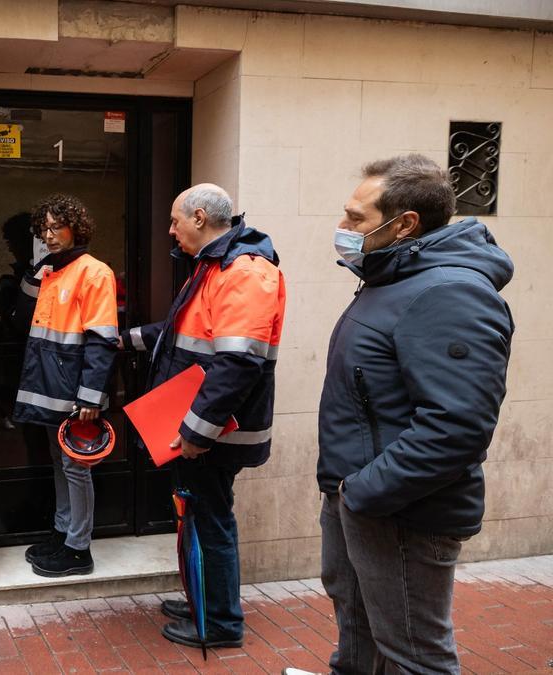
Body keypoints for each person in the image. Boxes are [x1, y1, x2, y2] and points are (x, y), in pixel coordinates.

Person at [288, 154, 513, 675]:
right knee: (360, 636)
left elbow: (457, 426)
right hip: (360, 501)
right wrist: (346, 496)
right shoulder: (391, 278)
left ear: (404, 224)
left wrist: (362, 493)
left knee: (414, 654)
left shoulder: (449, 292)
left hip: (401, 512)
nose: (343, 227)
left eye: (356, 218)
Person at [121, 183, 285, 649]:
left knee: (211, 520)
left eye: (175, 222)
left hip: (211, 434)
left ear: (198, 217)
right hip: (198, 427)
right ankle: (203, 599)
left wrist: (195, 431)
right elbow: (181, 333)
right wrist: (127, 338)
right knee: (197, 515)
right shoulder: (214, 266)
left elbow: (238, 364)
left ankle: (220, 623)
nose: (171, 232)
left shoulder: (244, 271)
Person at [12, 194, 119, 577]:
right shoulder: (50, 271)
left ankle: (78, 548)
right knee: (60, 463)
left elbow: (102, 339)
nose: (50, 235)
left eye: (58, 227)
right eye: (44, 229)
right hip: (48, 385)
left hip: (74, 392)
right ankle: (63, 533)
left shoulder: (95, 272)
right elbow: (21, 317)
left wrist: (90, 397)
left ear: (77, 228)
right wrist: (34, 272)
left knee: (76, 467)